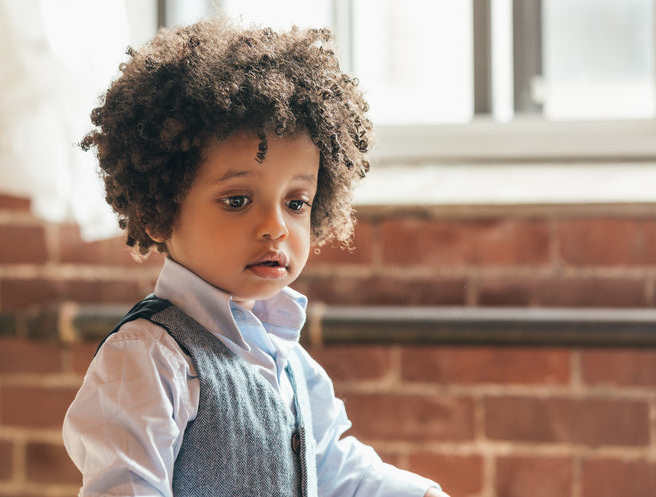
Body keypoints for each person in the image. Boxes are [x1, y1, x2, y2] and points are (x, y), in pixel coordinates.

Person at [63, 18, 450, 497]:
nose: (276, 226)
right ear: (159, 213)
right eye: (237, 200)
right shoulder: (148, 358)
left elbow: (332, 468)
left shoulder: (290, 361)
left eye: (295, 203)